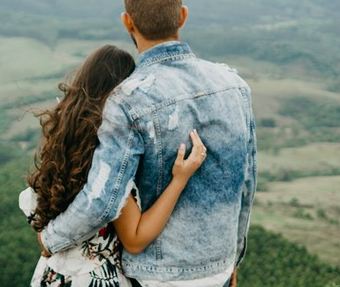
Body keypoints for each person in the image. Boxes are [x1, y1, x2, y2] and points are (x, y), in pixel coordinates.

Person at [38, 0, 257, 287]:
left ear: (127, 21)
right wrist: (233, 257)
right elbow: (246, 184)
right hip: (219, 269)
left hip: (160, 276)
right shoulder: (235, 86)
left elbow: (102, 199)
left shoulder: (128, 101)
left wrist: (50, 239)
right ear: (182, 16)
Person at [20, 45, 208, 287]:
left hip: (53, 275)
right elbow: (135, 238)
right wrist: (180, 179)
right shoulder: (105, 162)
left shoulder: (65, 145)